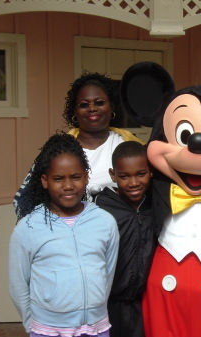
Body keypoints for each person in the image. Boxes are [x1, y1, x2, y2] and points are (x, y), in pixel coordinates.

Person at [9, 132, 119, 337]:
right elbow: (18, 285)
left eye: (75, 177)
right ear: (44, 180)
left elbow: (107, 274)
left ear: (86, 176)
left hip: (97, 328)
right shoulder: (29, 228)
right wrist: (31, 326)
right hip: (48, 330)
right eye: (58, 179)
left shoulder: (104, 222)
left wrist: (96, 306)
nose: (68, 186)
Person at [14, 72, 144, 212]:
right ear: (74, 111)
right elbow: (24, 199)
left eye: (99, 102)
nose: (92, 108)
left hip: (124, 230)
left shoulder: (129, 144)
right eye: (84, 104)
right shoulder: (59, 151)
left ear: (111, 107)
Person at [95, 141, 155, 337]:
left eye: (140, 174)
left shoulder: (156, 205)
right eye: (124, 176)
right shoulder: (101, 209)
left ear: (151, 172)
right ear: (113, 175)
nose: (134, 183)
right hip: (108, 305)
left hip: (144, 303)